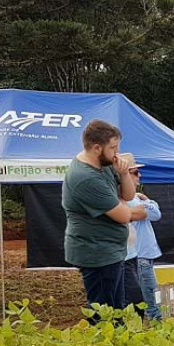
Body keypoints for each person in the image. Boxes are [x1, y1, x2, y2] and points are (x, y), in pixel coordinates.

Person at [63, 119, 146, 313]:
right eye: (113, 148)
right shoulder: (85, 178)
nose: (117, 153)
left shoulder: (106, 163)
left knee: (116, 311)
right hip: (96, 253)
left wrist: (124, 174)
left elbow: (128, 195)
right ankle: (104, 343)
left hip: (110, 251)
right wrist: (125, 206)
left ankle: (113, 341)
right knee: (104, 314)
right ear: (96, 148)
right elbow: (124, 215)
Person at [121, 153, 163, 321]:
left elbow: (153, 211)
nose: (140, 176)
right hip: (140, 255)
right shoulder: (130, 200)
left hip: (142, 255)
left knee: (147, 294)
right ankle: (156, 324)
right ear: (125, 174)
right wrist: (148, 202)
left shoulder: (134, 199)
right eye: (135, 173)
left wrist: (146, 201)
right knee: (150, 295)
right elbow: (156, 214)